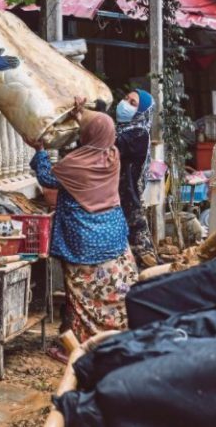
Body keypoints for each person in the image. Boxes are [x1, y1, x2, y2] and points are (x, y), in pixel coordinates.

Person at [28, 109, 138, 343]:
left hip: (84, 237)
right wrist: (81, 113)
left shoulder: (75, 165)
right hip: (114, 235)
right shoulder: (113, 154)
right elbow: (97, 128)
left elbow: (48, 178)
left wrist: (39, 150)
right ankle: (119, 334)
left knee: (83, 296)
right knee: (117, 290)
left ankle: (83, 343)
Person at [115, 89, 160, 268]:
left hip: (128, 198)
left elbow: (109, 144)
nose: (125, 103)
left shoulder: (139, 134)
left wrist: (97, 116)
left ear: (142, 112)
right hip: (118, 197)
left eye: (132, 103)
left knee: (140, 251)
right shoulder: (124, 130)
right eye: (126, 98)